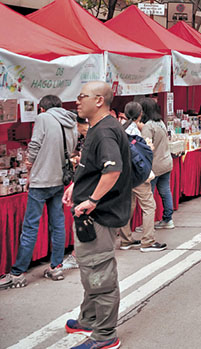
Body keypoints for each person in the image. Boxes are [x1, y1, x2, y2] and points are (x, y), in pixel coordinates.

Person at [62, 81, 133, 349]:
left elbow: (112, 170)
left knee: (99, 272)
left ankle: (105, 335)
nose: (77, 101)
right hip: (92, 212)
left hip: (99, 215)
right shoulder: (99, 128)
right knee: (90, 267)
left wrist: (92, 199)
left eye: (82, 96)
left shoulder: (104, 132)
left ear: (100, 100)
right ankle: (89, 318)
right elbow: (93, 168)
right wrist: (75, 187)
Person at [0, 95, 78, 289]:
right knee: (58, 223)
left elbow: (34, 145)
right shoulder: (71, 120)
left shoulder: (43, 118)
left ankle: (18, 273)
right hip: (59, 179)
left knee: (30, 226)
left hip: (41, 180)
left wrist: (29, 164)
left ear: (42, 108)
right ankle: (56, 266)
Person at [117, 102, 166, 253]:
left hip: (123, 174)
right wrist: (148, 148)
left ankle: (126, 240)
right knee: (149, 206)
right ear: (140, 115)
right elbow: (140, 154)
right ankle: (148, 241)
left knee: (128, 205)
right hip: (137, 174)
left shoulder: (120, 128)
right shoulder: (137, 132)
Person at [139, 97, 175, 231]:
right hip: (166, 161)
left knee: (148, 196)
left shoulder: (148, 126)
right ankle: (168, 219)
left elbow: (145, 147)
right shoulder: (160, 122)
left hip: (155, 165)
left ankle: (147, 225)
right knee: (165, 191)